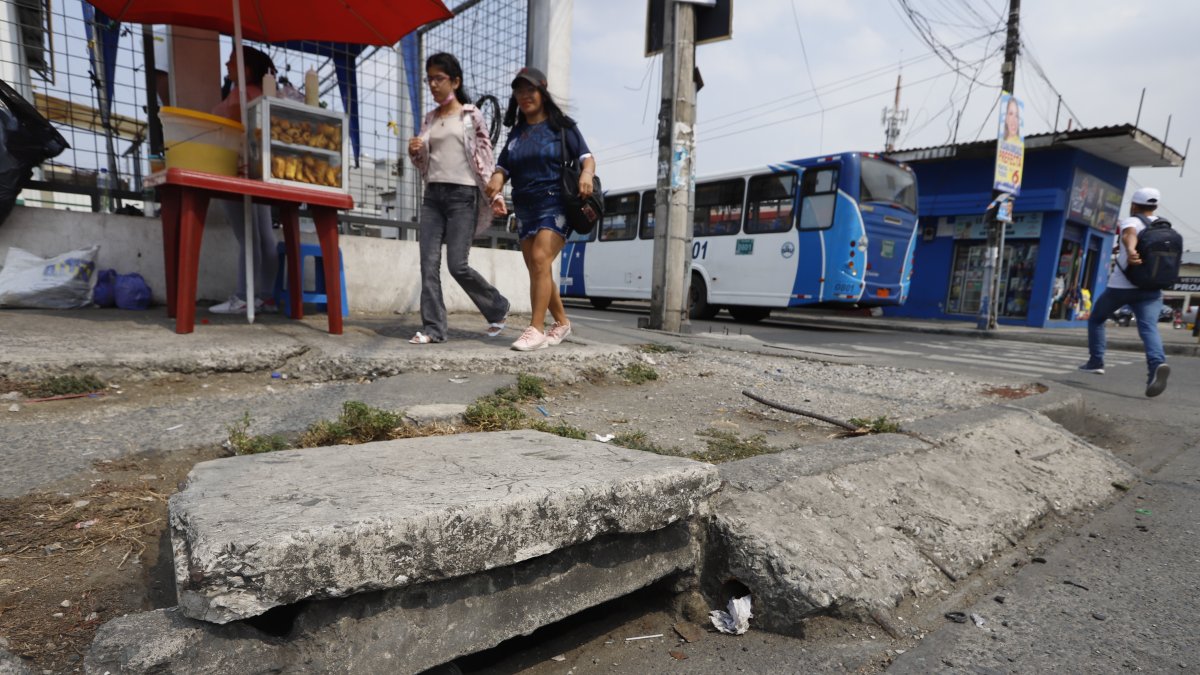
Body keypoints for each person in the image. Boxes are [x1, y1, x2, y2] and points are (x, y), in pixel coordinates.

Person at [485, 67, 595, 351]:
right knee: (539, 268)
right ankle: (562, 322)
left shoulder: (563, 127)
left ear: (542, 92)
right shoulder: (517, 133)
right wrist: (497, 177)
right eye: (519, 91)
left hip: (555, 201)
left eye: (530, 90)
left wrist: (586, 174)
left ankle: (535, 329)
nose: (524, 96)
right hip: (525, 206)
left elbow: (587, 157)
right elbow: (504, 165)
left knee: (539, 259)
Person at [406, 53, 510, 344]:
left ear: (455, 81)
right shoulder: (430, 119)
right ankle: (434, 329)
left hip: (463, 196)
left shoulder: (470, 115)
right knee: (428, 264)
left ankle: (497, 306)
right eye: (429, 79)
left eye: (439, 78)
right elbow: (424, 162)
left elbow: (485, 156)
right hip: (432, 196)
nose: (433, 84)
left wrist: (495, 192)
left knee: (457, 265)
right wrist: (414, 151)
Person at [1079, 187, 1170, 397]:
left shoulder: (1132, 221)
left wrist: (1129, 250)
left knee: (1097, 319)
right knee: (1149, 328)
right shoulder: (1164, 226)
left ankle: (1096, 361)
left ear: (1134, 205)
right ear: (1155, 206)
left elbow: (1130, 235)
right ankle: (1156, 365)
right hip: (1152, 289)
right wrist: (1123, 250)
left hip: (1122, 287)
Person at [209, 46, 278, 314]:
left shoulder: (240, 96)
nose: (227, 65)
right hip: (260, 172)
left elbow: (234, 129)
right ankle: (266, 296)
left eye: (231, 61)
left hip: (236, 170)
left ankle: (243, 296)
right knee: (264, 237)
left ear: (246, 70)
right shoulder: (262, 95)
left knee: (248, 238)